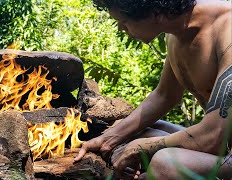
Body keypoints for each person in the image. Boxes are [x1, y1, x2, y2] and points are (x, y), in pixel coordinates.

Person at [74, 0, 232, 179]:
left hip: (220, 145)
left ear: (155, 13)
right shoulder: (174, 34)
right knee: (139, 130)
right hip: (222, 150)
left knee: (165, 163)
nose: (120, 28)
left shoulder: (228, 28)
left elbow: (213, 136)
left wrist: (140, 148)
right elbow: (165, 95)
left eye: (124, 22)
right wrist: (109, 138)